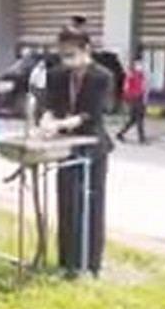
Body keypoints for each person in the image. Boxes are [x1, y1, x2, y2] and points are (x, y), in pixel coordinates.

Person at [39, 28, 113, 277]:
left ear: (86, 50)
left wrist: (62, 124)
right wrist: (47, 118)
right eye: (63, 54)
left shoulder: (102, 77)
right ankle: (67, 261)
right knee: (67, 201)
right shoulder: (57, 75)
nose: (67, 60)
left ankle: (90, 264)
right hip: (65, 146)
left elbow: (93, 112)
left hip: (92, 146)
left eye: (71, 54)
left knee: (91, 204)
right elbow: (49, 104)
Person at [117, 54, 148, 144]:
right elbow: (125, 87)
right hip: (134, 98)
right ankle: (142, 139)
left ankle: (120, 134)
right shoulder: (131, 74)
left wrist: (144, 99)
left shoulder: (141, 75)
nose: (141, 66)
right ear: (135, 65)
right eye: (139, 64)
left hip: (139, 98)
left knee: (133, 119)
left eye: (141, 64)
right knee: (139, 118)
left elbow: (143, 87)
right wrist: (127, 98)